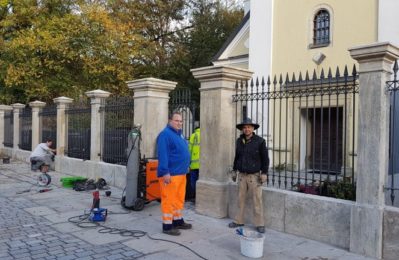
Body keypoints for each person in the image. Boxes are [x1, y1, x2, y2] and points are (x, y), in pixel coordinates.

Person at [228, 118, 269, 233]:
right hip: (242, 175)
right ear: (242, 129)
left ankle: (260, 223)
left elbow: (265, 158)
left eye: (249, 127)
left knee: (257, 200)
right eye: (244, 127)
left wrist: (264, 172)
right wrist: (234, 170)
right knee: (240, 199)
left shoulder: (260, 141)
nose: (247, 129)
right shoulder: (239, 141)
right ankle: (238, 220)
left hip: (254, 176)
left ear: (253, 128)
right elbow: (237, 156)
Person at [157, 112, 192, 236]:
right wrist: (165, 171)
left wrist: (187, 165)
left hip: (181, 173)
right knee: (169, 200)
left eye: (181, 121)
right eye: (176, 120)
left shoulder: (179, 134)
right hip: (170, 174)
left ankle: (177, 221)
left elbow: (183, 152)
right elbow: (163, 154)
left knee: (178, 199)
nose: (179, 123)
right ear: (170, 120)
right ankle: (167, 226)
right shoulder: (165, 135)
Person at [188, 126, 200, 202]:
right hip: (203, 164)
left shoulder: (194, 135)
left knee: (193, 181)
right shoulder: (205, 134)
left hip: (193, 164)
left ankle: (196, 196)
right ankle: (200, 197)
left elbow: (189, 149)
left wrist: (188, 162)